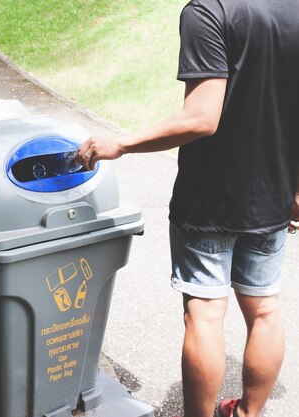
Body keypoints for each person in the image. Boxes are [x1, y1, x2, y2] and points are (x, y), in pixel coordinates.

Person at [75, 1, 299, 416]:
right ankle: (248, 412)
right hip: (275, 193)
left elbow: (201, 117)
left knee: (206, 316)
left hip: (212, 197)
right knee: (265, 309)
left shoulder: (208, 11)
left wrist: (122, 144)